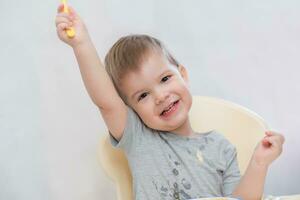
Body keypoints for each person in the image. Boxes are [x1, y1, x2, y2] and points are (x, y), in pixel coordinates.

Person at [55, 4, 285, 200]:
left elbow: (239, 199)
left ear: (182, 74)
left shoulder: (219, 146)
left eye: (165, 79)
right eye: (142, 95)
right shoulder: (139, 137)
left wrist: (258, 163)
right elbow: (106, 102)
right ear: (131, 109)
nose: (160, 96)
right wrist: (81, 44)